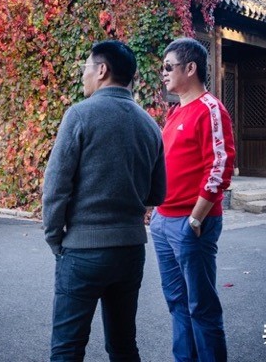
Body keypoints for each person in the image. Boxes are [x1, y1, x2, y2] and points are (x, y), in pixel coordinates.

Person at [42, 39, 166, 362]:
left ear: (102, 70)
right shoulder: (150, 126)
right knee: (124, 345)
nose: (82, 75)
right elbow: (158, 194)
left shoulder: (79, 116)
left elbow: (55, 186)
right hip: (130, 252)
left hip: (82, 251)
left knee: (67, 348)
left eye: (85, 67)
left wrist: (55, 239)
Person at [149, 37, 235, 362]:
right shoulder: (174, 113)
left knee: (201, 307)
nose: (164, 73)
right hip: (162, 222)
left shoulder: (210, 109)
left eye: (169, 67)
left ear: (190, 68)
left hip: (192, 223)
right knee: (177, 303)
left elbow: (220, 165)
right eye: (162, 68)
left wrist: (196, 218)